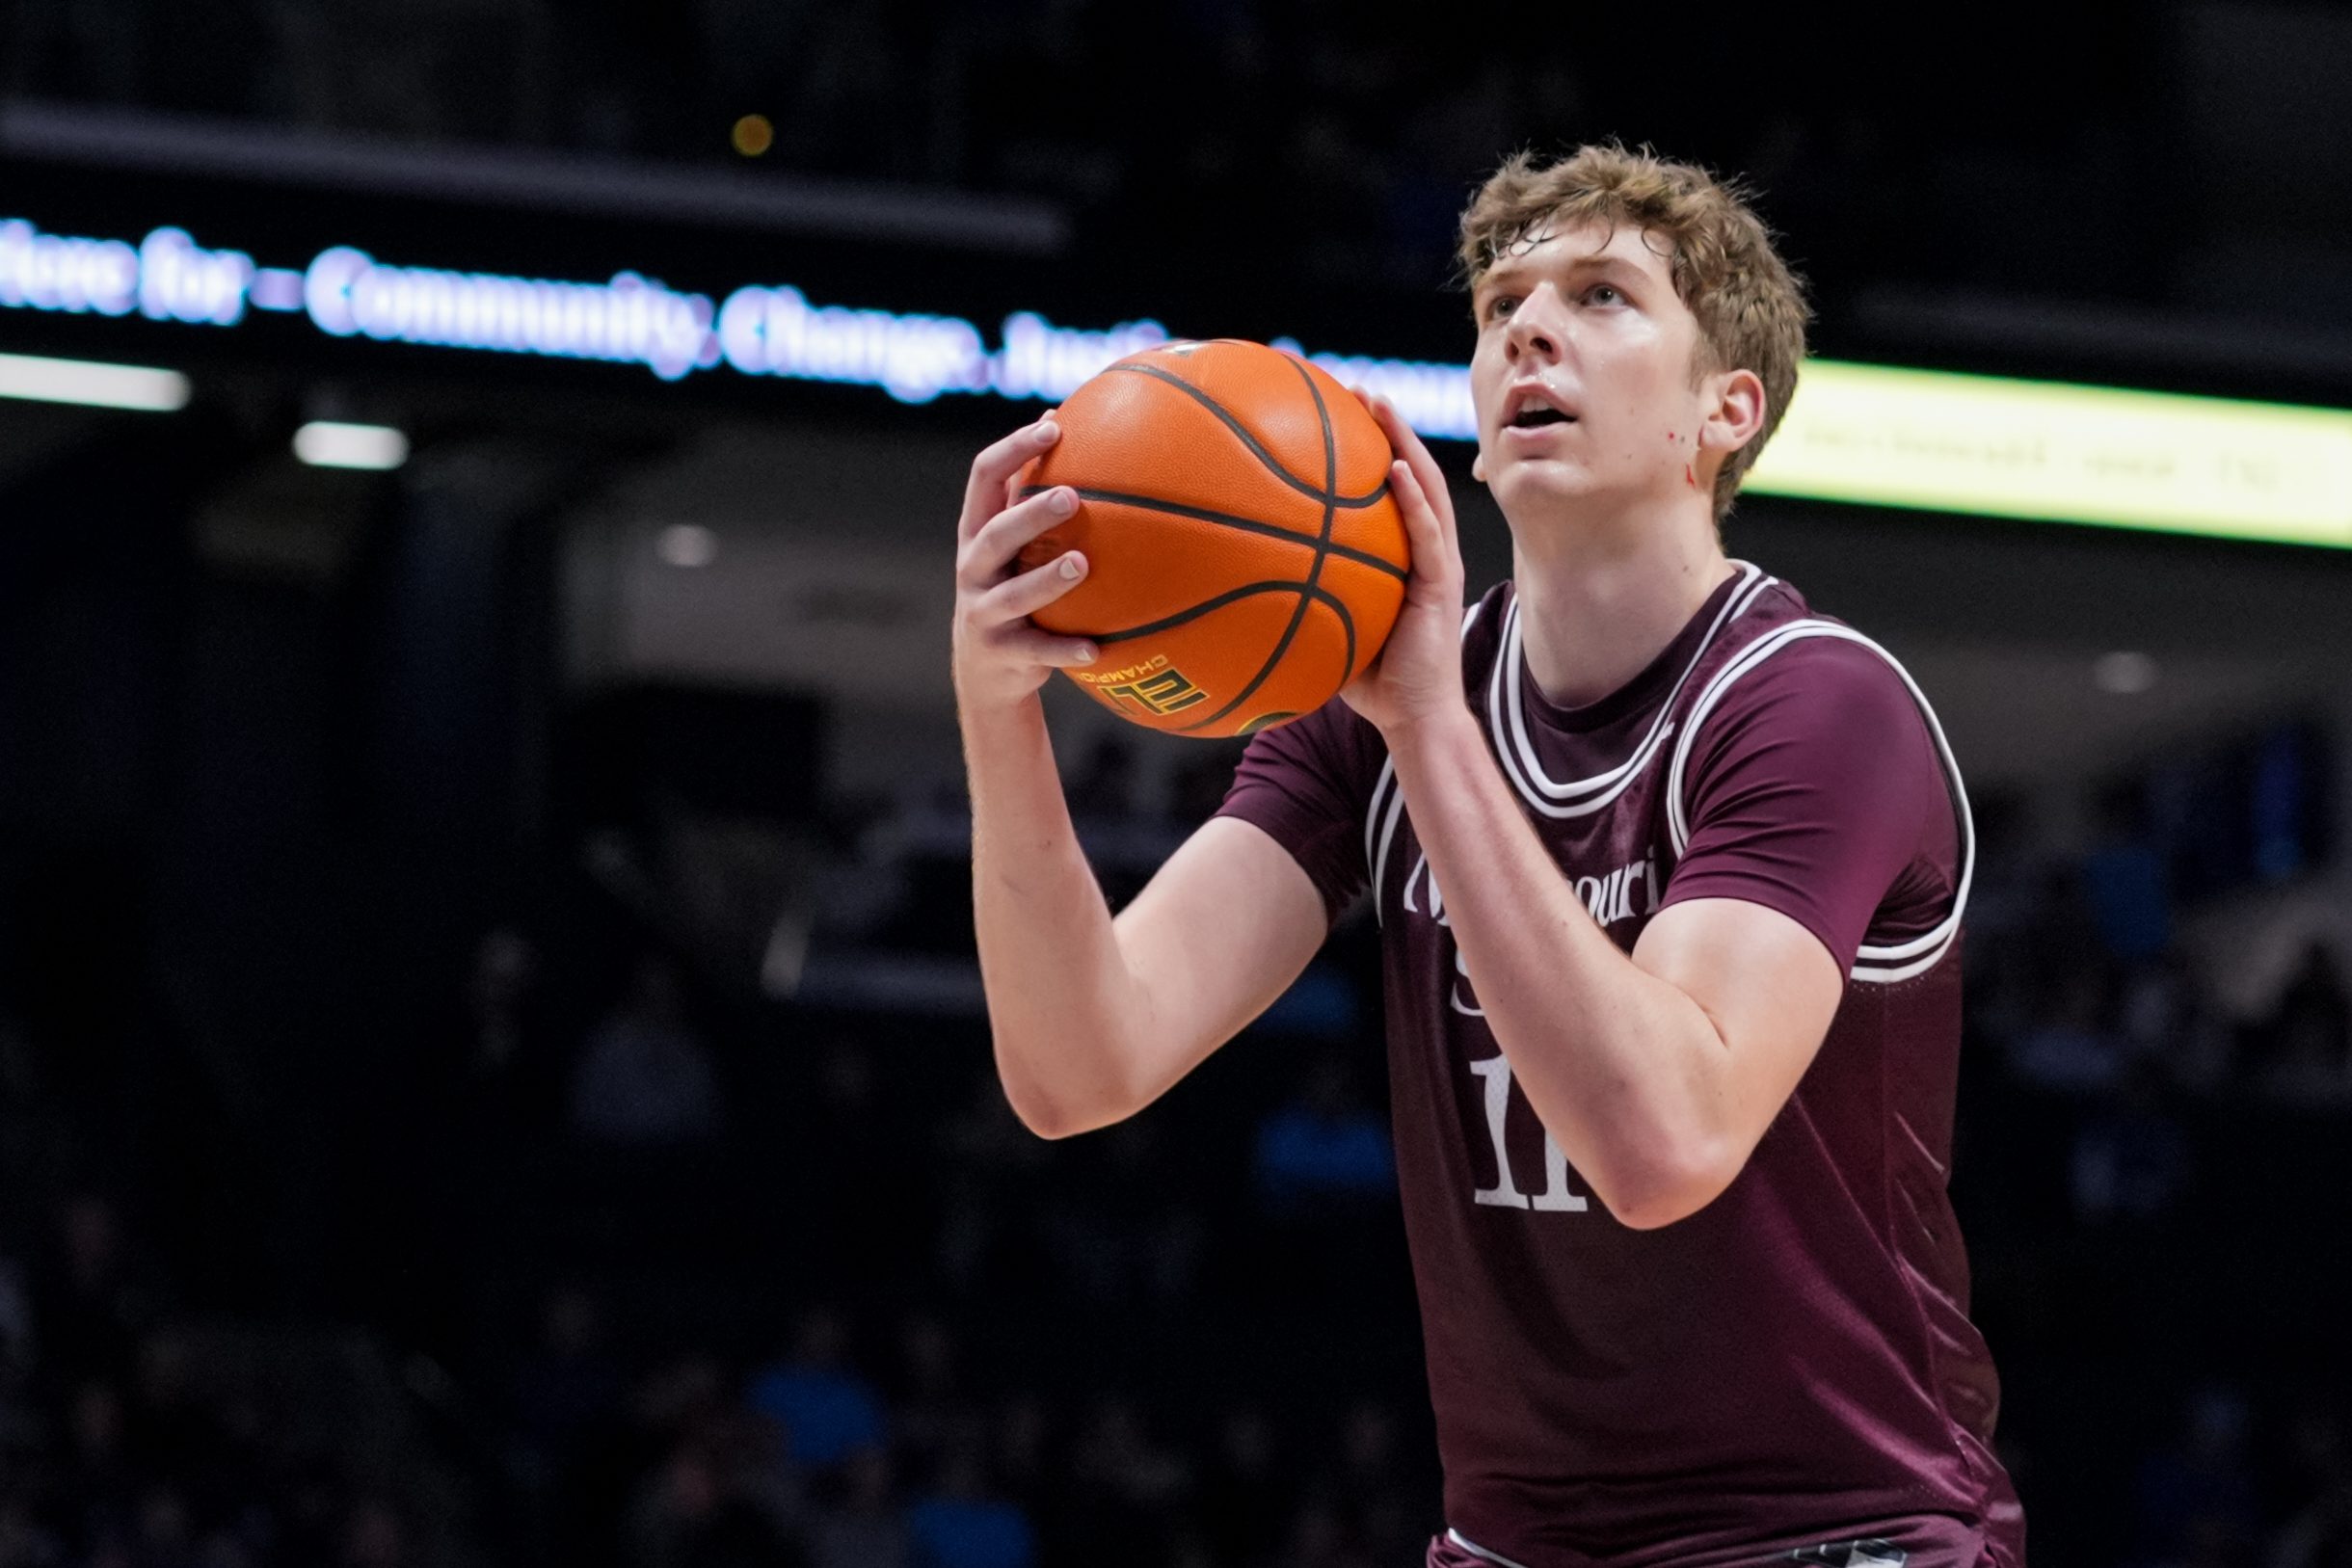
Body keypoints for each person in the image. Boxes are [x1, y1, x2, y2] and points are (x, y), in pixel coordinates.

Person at [951, 145, 2022, 1567]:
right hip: (1515, 1543)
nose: (1528, 325)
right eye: (1503, 300)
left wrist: (1425, 729)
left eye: (1601, 297)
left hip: (1839, 1532)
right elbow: (1081, 1067)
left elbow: (1661, 1141)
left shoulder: (1817, 706)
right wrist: (997, 708)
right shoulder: (1382, 707)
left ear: (1725, 410)